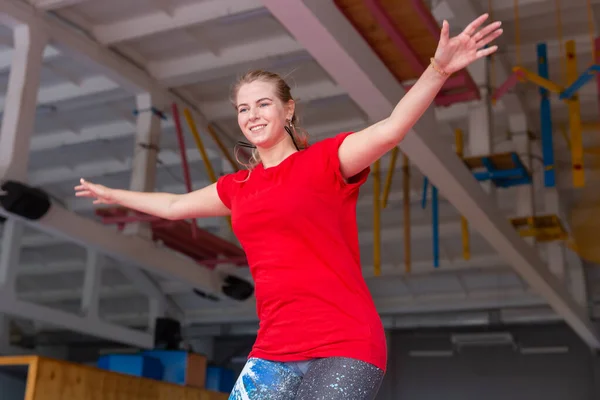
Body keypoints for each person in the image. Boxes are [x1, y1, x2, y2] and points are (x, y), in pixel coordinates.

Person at [75, 14, 502, 399]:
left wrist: (437, 69)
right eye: (243, 108)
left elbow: (391, 130)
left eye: (263, 104)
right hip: (273, 349)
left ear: (288, 109)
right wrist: (114, 195)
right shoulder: (238, 186)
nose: (252, 115)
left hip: (345, 343)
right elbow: (171, 205)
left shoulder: (326, 162)